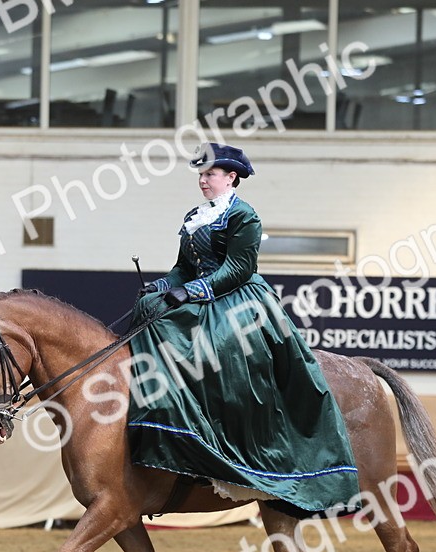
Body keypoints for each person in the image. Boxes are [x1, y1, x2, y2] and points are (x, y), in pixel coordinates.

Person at [126, 143, 359, 517]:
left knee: (222, 347)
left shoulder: (244, 216)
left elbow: (238, 269)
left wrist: (191, 291)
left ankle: (227, 430)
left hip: (237, 299)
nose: (202, 181)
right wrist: (161, 286)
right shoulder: (196, 215)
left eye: (209, 175)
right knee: (148, 308)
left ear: (231, 177)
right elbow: (182, 268)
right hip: (200, 294)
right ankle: (159, 415)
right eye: (201, 175)